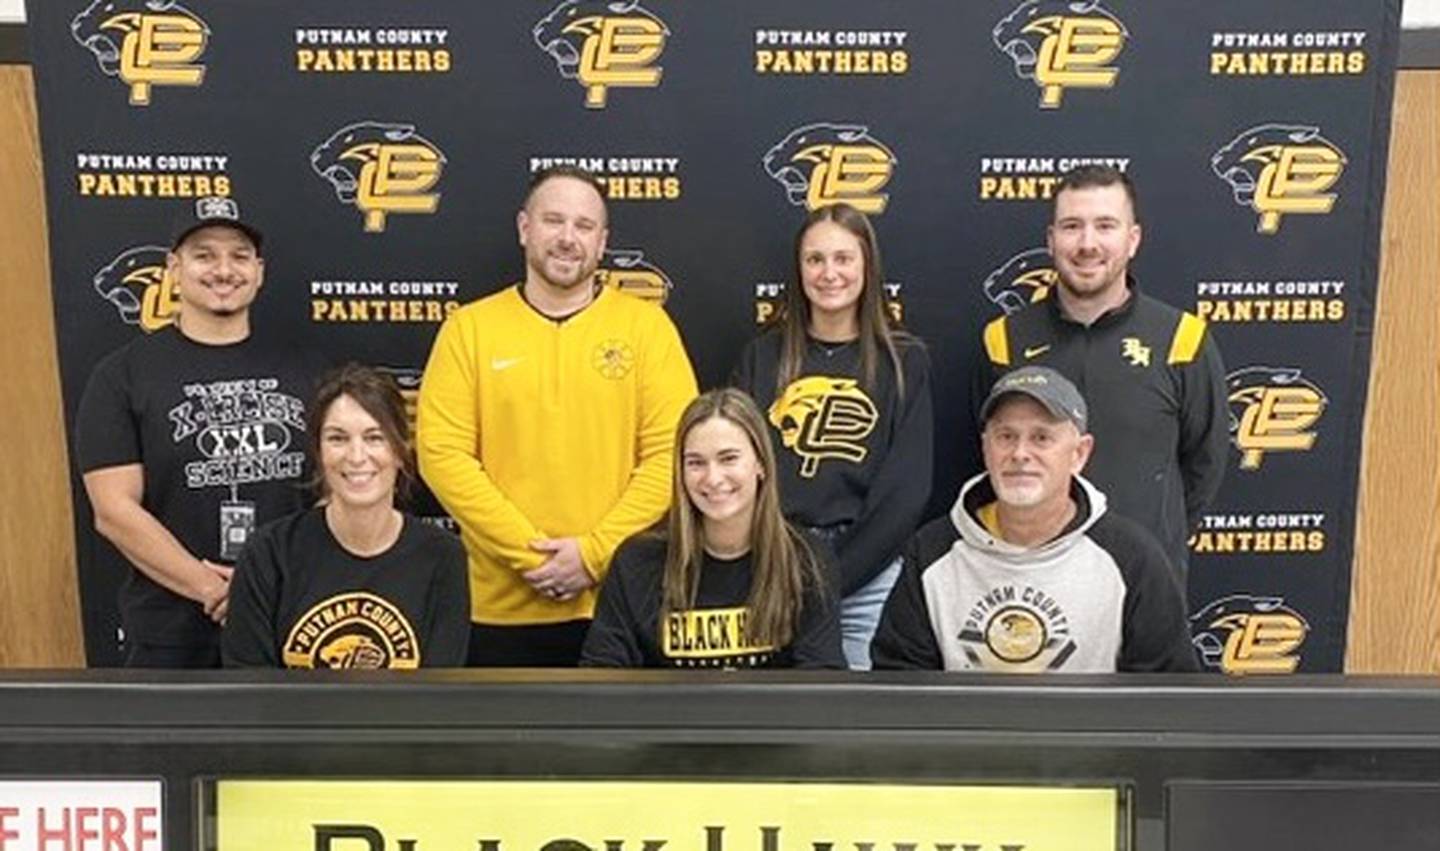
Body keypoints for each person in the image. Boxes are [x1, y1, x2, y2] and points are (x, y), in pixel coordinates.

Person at [417, 165, 698, 667]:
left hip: (623, 604)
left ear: (602, 240)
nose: (568, 238)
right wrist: (532, 557)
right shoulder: (469, 330)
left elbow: (671, 457)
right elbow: (443, 456)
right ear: (525, 228)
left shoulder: (647, 329)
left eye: (584, 226)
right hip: (497, 613)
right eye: (554, 221)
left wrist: (594, 554)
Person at [76, 197, 319, 668]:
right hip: (169, 631)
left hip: (289, 619)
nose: (223, 270)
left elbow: (337, 492)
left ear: (260, 270)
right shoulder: (121, 376)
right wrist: (212, 589)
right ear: (173, 267)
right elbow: (113, 510)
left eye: (239, 255)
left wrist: (268, 591)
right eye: (204, 254)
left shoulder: (309, 370)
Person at [977, 165, 1226, 576]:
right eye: (1072, 226)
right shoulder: (1003, 340)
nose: (1087, 244)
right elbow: (988, 457)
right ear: (1051, 240)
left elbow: (1204, 468)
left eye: (1105, 226)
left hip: (1143, 585)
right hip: (1030, 583)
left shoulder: (1183, 339)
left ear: (1133, 240)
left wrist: (1153, 537)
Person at [873, 367, 1198, 673]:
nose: (1020, 454)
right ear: (985, 449)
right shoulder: (932, 552)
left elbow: (1168, 700)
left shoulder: (1131, 558)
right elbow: (901, 691)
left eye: (1041, 438)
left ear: (1079, 454)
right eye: (1006, 436)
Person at [732, 202, 932, 669]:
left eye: (844, 258)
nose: (829, 273)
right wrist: (776, 569)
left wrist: (827, 580)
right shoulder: (763, 357)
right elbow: (737, 471)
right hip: (772, 569)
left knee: (855, 725)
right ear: (798, 269)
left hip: (868, 577)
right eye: (815, 259)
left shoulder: (904, 362)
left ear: (867, 267)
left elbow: (905, 494)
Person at [223, 364, 469, 668]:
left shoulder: (441, 556)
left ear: (400, 449)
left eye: (374, 437)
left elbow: (439, 694)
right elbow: (248, 688)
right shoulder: (269, 553)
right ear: (318, 451)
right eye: (338, 438)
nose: (356, 456)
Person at [581, 389, 843, 669]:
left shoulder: (807, 560)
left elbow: (821, 682)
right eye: (696, 463)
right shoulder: (637, 562)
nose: (713, 478)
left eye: (728, 458)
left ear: (761, 464)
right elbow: (603, 674)